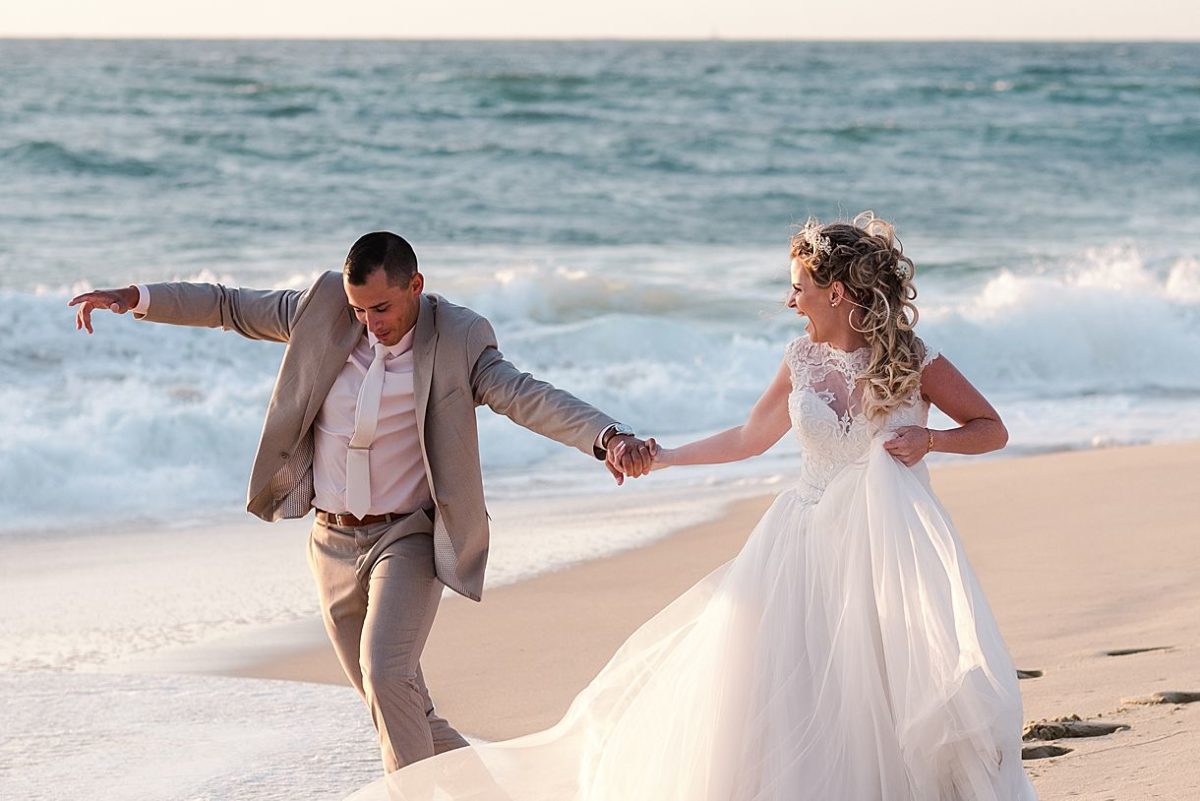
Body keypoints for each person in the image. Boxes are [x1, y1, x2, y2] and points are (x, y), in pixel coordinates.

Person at [343, 213, 1039, 800]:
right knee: (793, 688)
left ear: (833, 291)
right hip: (804, 540)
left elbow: (993, 429)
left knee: (888, 682)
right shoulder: (801, 360)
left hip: (888, 545)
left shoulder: (913, 358)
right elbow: (748, 436)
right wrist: (663, 456)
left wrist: (932, 439)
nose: (788, 301)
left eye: (798, 288)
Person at [67, 232, 657, 774]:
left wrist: (609, 437)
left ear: (415, 288)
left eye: (382, 308)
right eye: (358, 310)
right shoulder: (322, 310)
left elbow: (527, 396)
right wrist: (135, 297)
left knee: (386, 672)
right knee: (399, 705)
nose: (369, 323)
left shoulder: (458, 337)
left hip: (407, 538)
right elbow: (227, 305)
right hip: (329, 542)